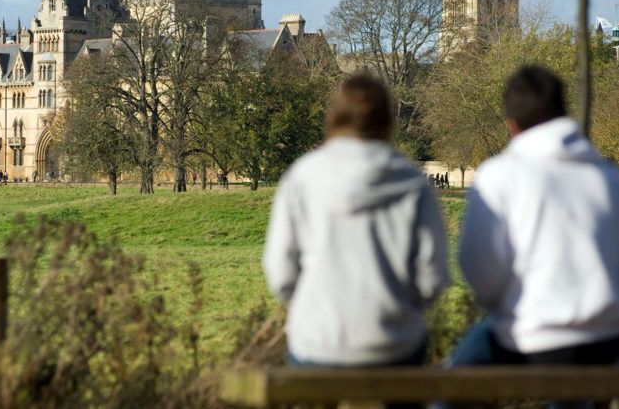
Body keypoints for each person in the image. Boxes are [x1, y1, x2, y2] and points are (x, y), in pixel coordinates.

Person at [263, 73, 450, 368]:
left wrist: (310, 308)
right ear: (388, 119)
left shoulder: (302, 177)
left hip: (317, 343)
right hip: (394, 345)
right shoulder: (414, 183)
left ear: (335, 117)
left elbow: (281, 272)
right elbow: (432, 279)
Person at [449, 65, 619, 368]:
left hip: (530, 337)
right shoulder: (609, 177)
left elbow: (479, 271)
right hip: (606, 340)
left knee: (447, 390)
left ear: (512, 124)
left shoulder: (499, 176)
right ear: (563, 113)